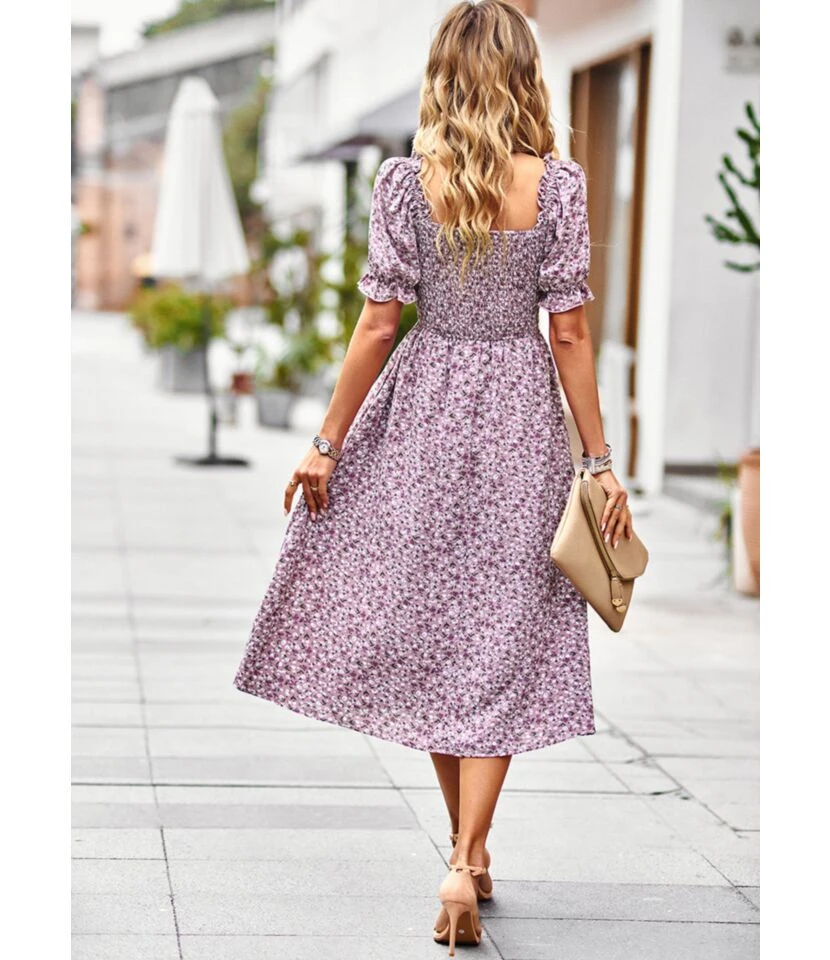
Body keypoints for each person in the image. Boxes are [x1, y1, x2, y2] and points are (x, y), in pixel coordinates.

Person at [233, 0, 635, 953]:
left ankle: (468, 847)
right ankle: (466, 855)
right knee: (500, 632)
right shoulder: (561, 187)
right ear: (525, 76)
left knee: (436, 630)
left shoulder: (405, 183)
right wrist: (598, 461)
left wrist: (326, 442)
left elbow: (380, 323)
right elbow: (569, 334)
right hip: (519, 421)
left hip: (420, 415)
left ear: (443, 77)